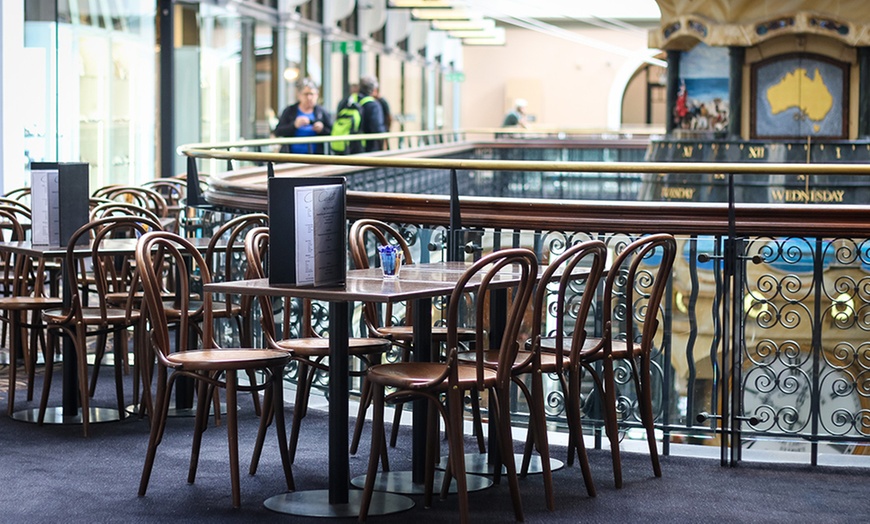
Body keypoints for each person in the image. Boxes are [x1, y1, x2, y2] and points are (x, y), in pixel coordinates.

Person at [274, 78, 333, 154]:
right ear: (299, 95)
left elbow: (332, 132)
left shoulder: (322, 112)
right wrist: (294, 125)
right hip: (291, 157)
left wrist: (322, 129)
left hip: (316, 157)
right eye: (306, 94)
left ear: (317, 95)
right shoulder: (290, 111)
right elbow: (278, 131)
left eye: (312, 94)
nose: (309, 98)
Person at [336, 75, 385, 153]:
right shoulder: (373, 105)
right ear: (374, 90)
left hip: (347, 147)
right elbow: (377, 129)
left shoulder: (347, 101)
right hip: (367, 150)